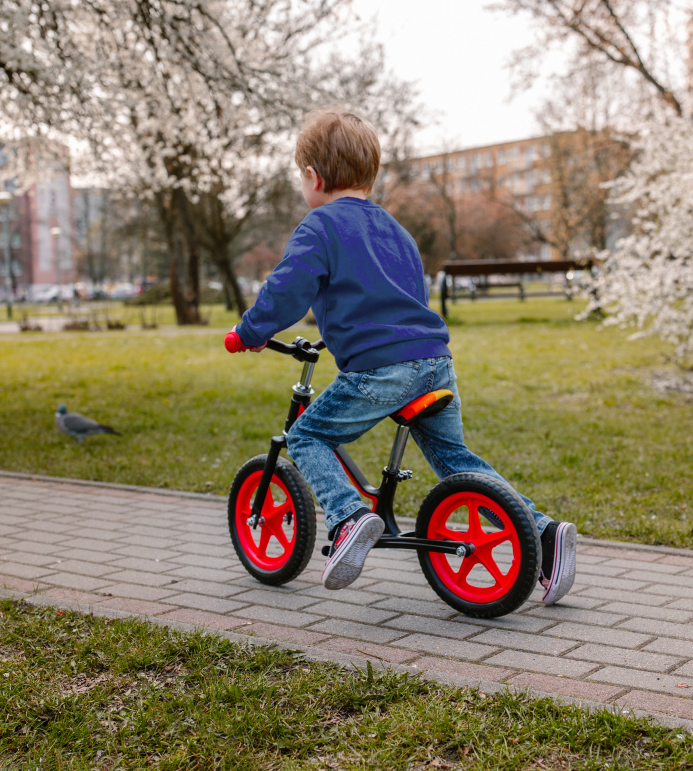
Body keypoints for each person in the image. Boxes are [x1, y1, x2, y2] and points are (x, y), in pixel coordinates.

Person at [231, 109, 576, 603]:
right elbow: (398, 298)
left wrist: (250, 331)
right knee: (456, 461)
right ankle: (543, 533)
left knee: (306, 435)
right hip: (434, 360)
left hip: (380, 368)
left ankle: (350, 518)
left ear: (313, 177)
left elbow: (287, 291)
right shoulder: (397, 231)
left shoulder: (319, 226)